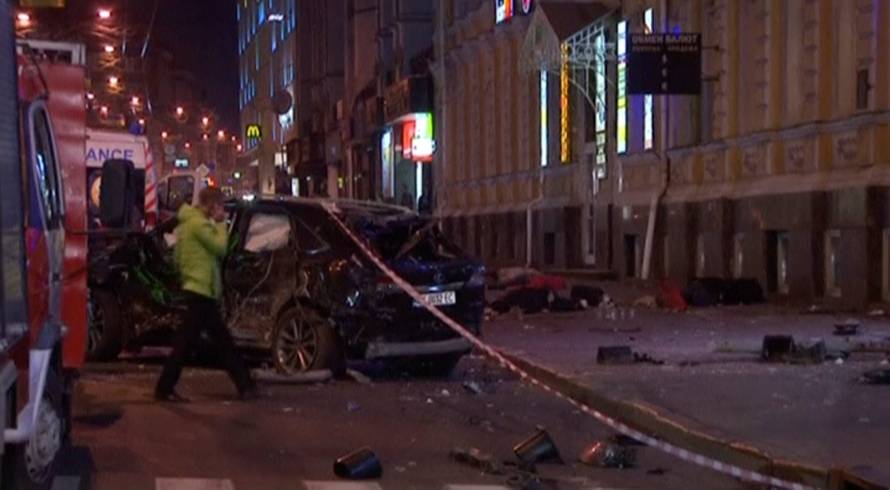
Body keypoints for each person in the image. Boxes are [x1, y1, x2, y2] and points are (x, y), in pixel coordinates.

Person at [155, 187, 258, 402]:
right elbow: (221, 247)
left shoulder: (187, 224)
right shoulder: (199, 225)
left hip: (196, 289)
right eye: (218, 205)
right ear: (211, 205)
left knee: (188, 344)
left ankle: (165, 386)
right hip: (201, 291)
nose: (220, 209)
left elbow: (177, 258)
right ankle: (244, 384)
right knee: (220, 342)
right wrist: (221, 223)